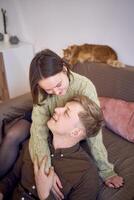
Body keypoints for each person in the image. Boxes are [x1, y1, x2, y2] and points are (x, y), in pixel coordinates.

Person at [0, 49, 123, 191]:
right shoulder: (41, 92)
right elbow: (39, 130)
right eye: (49, 90)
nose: (57, 93)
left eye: (58, 85)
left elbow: (93, 132)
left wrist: (106, 171)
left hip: (63, 121)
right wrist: (46, 172)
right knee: (12, 134)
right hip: (46, 114)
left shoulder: (84, 86)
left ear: (64, 69)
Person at [0, 95, 103, 200]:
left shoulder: (86, 174)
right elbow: (13, 176)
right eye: (63, 107)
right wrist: (1, 191)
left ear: (75, 132)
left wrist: (44, 194)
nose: (57, 109)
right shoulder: (36, 141)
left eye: (66, 112)